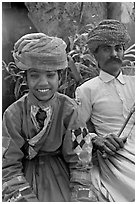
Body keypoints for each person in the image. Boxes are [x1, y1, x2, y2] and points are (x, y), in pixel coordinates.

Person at [2, 33, 100, 202]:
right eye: (34, 75)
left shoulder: (70, 110)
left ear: (60, 77)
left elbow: (80, 159)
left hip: (61, 174)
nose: (43, 83)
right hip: (23, 176)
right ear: (25, 78)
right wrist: (24, 197)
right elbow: (7, 163)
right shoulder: (13, 114)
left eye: (50, 75)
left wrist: (80, 196)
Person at [75, 19, 135, 202]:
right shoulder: (87, 90)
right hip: (116, 157)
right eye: (107, 49)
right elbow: (76, 132)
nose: (114, 54)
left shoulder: (135, 83)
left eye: (118, 48)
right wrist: (97, 140)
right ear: (95, 55)